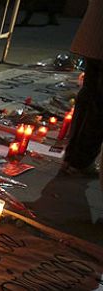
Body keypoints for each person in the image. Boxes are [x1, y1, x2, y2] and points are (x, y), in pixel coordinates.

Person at [63, 0, 103, 177]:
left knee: (88, 97)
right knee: (98, 105)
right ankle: (81, 160)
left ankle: (73, 156)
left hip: (94, 35)